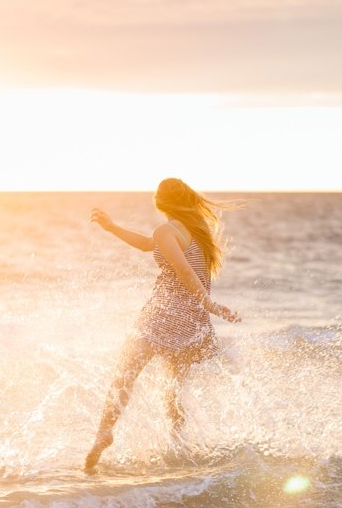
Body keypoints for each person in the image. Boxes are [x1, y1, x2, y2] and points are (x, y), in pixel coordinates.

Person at [84, 178, 241, 473]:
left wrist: (211, 304)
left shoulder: (166, 230)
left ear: (160, 201)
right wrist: (112, 227)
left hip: (163, 316)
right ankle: (177, 449)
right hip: (191, 323)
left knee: (124, 376)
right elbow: (147, 244)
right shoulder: (196, 232)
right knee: (172, 389)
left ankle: (104, 432)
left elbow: (182, 270)